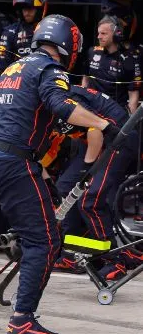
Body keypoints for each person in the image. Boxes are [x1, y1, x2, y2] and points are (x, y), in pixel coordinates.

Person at [0, 15, 120, 334]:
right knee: (45, 241)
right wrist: (104, 124)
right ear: (69, 43)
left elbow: (35, 118)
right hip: (11, 162)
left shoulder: (13, 69)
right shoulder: (50, 69)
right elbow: (61, 105)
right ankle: (22, 320)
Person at [44, 86, 141, 278]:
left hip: (119, 138)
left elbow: (95, 129)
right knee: (65, 192)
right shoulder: (46, 100)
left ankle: (116, 260)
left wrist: (86, 173)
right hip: (97, 142)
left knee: (90, 199)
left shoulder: (61, 97)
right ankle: (73, 254)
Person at [81, 16, 139, 113]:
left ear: (117, 35)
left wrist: (128, 125)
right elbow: (85, 79)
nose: (99, 36)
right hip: (91, 109)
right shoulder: (92, 52)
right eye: (99, 33)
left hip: (114, 113)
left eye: (103, 33)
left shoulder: (129, 59)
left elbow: (133, 96)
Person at [0, 0, 44, 74]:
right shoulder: (10, 32)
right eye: (24, 9)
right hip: (18, 78)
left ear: (39, 9)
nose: (26, 12)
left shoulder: (48, 29)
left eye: (30, 8)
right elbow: (2, 66)